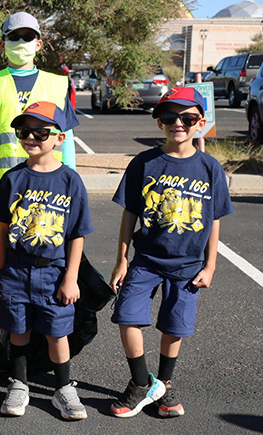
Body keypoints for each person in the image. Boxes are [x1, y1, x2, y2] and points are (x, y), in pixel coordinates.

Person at [109, 87, 233, 418]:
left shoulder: (210, 168)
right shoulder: (144, 163)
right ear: (160, 123)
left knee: (174, 326)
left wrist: (211, 266)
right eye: (169, 117)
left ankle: (165, 382)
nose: (179, 123)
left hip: (189, 265)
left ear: (200, 122)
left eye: (188, 117)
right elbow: (129, 213)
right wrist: (121, 259)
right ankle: (140, 383)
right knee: (127, 315)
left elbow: (214, 220)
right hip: (146, 260)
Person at [0, 11, 80, 319]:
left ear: (38, 43)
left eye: (27, 36)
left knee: (45, 263)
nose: (20, 42)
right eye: (13, 37)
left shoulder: (57, 84)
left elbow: (65, 139)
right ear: (3, 44)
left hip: (48, 193)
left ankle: (35, 334)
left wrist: (71, 182)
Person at [0, 101, 93, 420]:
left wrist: (71, 277)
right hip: (16, 272)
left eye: (41, 131)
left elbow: (77, 234)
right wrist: (1, 270)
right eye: (25, 131)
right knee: (18, 331)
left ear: (60, 138)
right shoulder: (12, 179)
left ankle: (63, 388)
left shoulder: (71, 181)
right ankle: (19, 384)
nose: (32, 137)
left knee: (56, 332)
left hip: (54, 273)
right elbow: (1, 230)